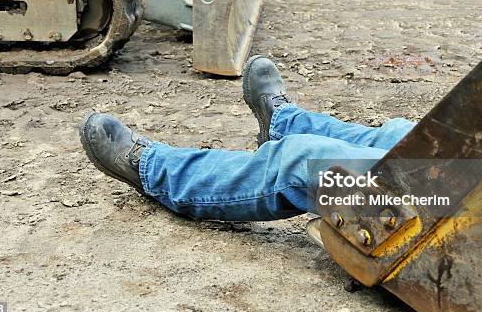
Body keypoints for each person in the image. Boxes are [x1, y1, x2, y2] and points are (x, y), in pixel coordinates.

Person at [79, 55, 415, 221]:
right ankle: (284, 121)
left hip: (449, 219)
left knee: (305, 161)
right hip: (464, 186)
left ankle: (157, 171)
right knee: (405, 135)